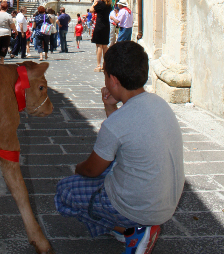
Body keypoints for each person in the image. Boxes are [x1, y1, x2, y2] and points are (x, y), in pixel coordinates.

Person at [55, 41, 184, 253]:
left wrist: (78, 169)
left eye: (105, 74)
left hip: (140, 208)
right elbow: (127, 138)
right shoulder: (159, 103)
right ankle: (127, 228)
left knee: (65, 191)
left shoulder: (116, 124)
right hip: (166, 204)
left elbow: (91, 169)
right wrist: (110, 107)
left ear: (113, 80)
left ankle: (132, 231)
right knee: (111, 166)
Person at [90, 0, 112, 72]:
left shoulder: (99, 3)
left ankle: (98, 65)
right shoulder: (109, 4)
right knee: (105, 46)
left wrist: (94, 3)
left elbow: (91, 10)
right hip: (106, 25)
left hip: (99, 25)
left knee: (99, 46)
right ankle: (105, 64)